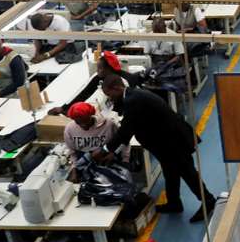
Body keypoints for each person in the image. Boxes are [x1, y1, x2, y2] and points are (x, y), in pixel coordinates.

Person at [101, 76, 216, 221]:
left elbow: (126, 129)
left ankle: (208, 201)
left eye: (110, 95)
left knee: (188, 172)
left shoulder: (133, 100)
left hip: (173, 141)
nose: (110, 98)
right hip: (165, 141)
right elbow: (129, 124)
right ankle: (174, 203)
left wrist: (106, 149)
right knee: (170, 172)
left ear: (117, 88)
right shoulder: (132, 95)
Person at [50, 49, 144, 114]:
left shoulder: (124, 81)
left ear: (108, 69)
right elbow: (84, 92)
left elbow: (129, 102)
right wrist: (65, 107)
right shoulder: (99, 76)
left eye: (99, 68)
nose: (97, 70)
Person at [63, 101, 125, 167]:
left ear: (91, 115)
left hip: (107, 156)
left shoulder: (109, 124)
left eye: (86, 121)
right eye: (78, 122)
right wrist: (74, 167)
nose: (83, 125)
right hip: (84, 159)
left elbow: (123, 140)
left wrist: (121, 157)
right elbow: (72, 152)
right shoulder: (69, 129)